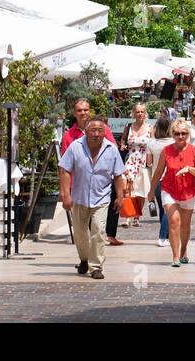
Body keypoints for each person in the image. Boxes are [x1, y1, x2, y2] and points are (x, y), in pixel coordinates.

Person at [59, 116, 126, 279]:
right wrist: (65, 194)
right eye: (93, 130)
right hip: (79, 197)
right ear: (87, 131)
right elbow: (64, 170)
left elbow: (118, 175)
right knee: (80, 233)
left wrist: (120, 196)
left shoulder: (111, 149)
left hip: (101, 198)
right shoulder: (76, 147)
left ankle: (96, 266)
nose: (96, 134)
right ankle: (84, 259)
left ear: (105, 132)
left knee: (98, 230)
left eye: (100, 131)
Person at [61, 98, 125, 246]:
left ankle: (97, 255)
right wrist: (64, 192)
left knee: (97, 225)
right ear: (74, 113)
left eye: (85, 110)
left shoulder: (102, 129)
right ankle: (86, 256)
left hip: (102, 186)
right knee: (81, 229)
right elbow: (64, 167)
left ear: (90, 112)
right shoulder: (69, 135)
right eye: (79, 110)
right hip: (79, 188)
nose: (83, 113)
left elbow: (113, 151)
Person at [149, 119, 195, 267]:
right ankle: (175, 256)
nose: (180, 136)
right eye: (177, 133)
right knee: (174, 221)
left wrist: (189, 169)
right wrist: (150, 191)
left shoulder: (194, 150)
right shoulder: (166, 150)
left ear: (188, 134)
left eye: (184, 133)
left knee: (185, 225)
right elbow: (158, 172)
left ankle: (184, 250)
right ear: (172, 134)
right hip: (169, 189)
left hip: (188, 191)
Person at [120, 102, 152, 226]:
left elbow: (153, 144)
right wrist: (123, 145)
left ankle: (137, 217)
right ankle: (128, 217)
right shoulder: (128, 126)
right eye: (137, 112)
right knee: (126, 188)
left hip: (143, 162)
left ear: (145, 114)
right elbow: (123, 139)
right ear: (134, 113)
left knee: (140, 191)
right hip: (130, 160)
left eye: (142, 112)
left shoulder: (150, 127)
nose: (139, 114)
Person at [146, 114, 174, 247]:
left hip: (156, 180)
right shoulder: (173, 142)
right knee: (169, 209)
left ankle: (167, 235)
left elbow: (149, 162)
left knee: (164, 209)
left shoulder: (150, 142)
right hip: (169, 179)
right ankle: (163, 236)